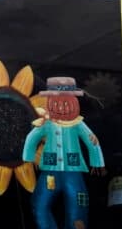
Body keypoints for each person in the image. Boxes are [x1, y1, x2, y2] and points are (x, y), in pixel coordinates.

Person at [23, 76, 106, 229]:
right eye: (56, 102)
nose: (61, 107)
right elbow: (31, 138)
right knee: (39, 205)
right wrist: (28, 158)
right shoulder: (46, 123)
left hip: (72, 173)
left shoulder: (77, 124)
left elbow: (92, 140)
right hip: (50, 174)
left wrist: (97, 162)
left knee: (78, 206)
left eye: (66, 102)